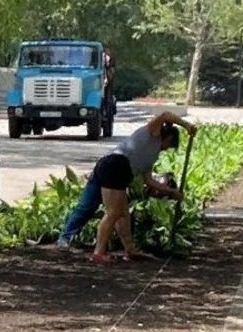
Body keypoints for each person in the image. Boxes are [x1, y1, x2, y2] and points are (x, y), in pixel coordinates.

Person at [56, 111, 197, 262]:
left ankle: (130, 250)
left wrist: (171, 192)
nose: (166, 149)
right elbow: (164, 115)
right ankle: (98, 252)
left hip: (117, 170)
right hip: (116, 165)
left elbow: (148, 181)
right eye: (169, 146)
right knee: (113, 212)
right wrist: (187, 125)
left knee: (122, 213)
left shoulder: (153, 155)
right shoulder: (152, 133)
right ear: (168, 138)